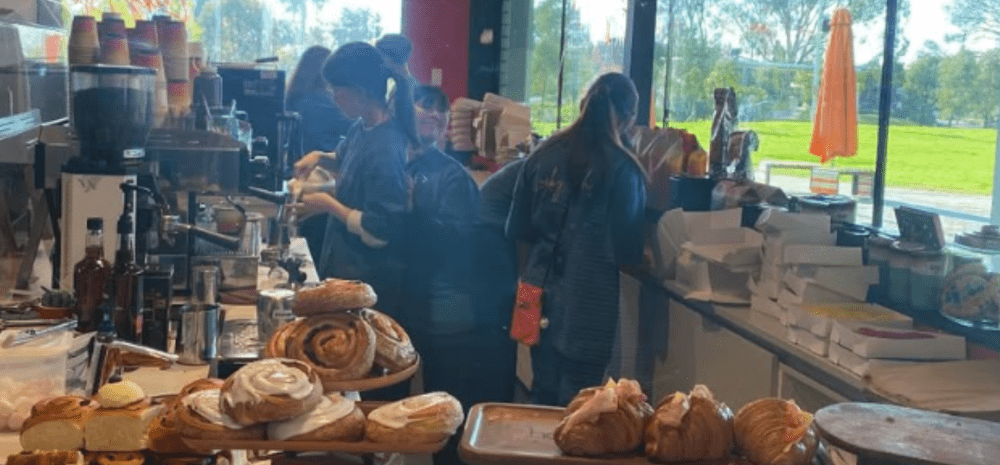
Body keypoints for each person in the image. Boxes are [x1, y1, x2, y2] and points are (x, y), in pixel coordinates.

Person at [506, 72, 648, 407]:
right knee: (578, 405)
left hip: (531, 291)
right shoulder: (625, 170)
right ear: (629, 119)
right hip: (587, 306)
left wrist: (528, 285)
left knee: (539, 393)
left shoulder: (542, 153)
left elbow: (516, 230)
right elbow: (626, 251)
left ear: (583, 105)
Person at [293, 40, 419, 320]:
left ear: (361, 93)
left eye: (338, 91)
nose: (333, 97)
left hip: (369, 287)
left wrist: (328, 204)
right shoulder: (361, 127)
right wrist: (317, 157)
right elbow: (346, 160)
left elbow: (380, 231)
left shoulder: (387, 146)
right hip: (346, 276)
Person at [398, 85, 480, 465]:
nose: (431, 114)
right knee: (399, 411)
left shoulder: (453, 178)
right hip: (407, 303)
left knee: (446, 413)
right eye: (423, 106)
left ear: (448, 125)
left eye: (439, 111)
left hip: (448, 309)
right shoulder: (398, 163)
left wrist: (413, 214)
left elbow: (456, 244)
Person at [285, 45, 353, 262]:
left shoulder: (293, 98)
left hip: (299, 177)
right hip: (322, 181)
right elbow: (355, 125)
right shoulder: (327, 104)